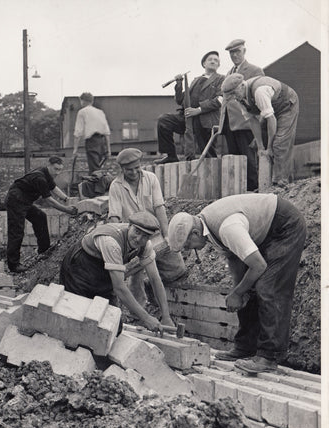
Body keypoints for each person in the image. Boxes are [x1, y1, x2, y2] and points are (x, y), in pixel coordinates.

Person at [167, 193, 306, 374]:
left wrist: (238, 293)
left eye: (188, 245)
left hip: (284, 227)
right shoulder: (207, 226)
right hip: (266, 232)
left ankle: (269, 357)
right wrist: (240, 290)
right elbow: (234, 257)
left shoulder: (227, 228)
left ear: (194, 233)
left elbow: (258, 265)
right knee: (247, 288)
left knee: (268, 287)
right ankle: (246, 347)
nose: (189, 250)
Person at [60, 211, 174, 332]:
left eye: (145, 236)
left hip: (102, 270)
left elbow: (155, 280)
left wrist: (166, 316)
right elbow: (119, 287)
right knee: (78, 319)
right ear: (129, 226)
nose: (139, 238)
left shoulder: (146, 246)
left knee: (113, 327)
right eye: (137, 231)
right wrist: (146, 318)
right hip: (80, 267)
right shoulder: (111, 241)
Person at [108, 148, 186, 307]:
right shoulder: (116, 186)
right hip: (134, 237)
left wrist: (166, 235)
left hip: (154, 233)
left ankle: (153, 286)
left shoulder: (151, 179)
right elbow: (114, 216)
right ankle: (140, 310)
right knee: (135, 272)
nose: (134, 172)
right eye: (129, 170)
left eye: (137, 168)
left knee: (177, 270)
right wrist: (118, 242)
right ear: (122, 169)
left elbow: (159, 208)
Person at [221, 73, 299, 186]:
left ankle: (281, 182)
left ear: (242, 85)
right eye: (230, 95)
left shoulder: (259, 91)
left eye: (234, 93)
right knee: (255, 145)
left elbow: (271, 119)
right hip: (271, 109)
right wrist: (261, 147)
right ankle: (264, 183)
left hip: (286, 106)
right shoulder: (240, 98)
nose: (234, 97)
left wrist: (269, 147)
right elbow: (252, 121)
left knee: (279, 143)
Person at [5, 156, 78, 273]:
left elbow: (54, 188)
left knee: (40, 217)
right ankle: (13, 265)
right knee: (17, 231)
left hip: (25, 200)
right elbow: (50, 201)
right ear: (48, 165)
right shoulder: (40, 178)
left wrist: (66, 198)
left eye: (60, 169)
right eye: (55, 169)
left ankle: (44, 249)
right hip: (16, 200)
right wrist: (67, 210)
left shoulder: (47, 174)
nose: (57, 173)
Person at [156, 51, 225, 164]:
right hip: (188, 118)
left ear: (218, 65)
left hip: (205, 120)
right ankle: (171, 156)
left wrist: (198, 110)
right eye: (210, 59)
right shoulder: (195, 80)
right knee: (164, 121)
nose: (213, 61)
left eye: (216, 60)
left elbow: (220, 100)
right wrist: (179, 84)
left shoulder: (221, 79)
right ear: (204, 64)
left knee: (209, 156)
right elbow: (180, 101)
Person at [221, 39, 265, 191]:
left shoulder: (254, 70)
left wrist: (258, 125)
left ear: (244, 51)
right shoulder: (229, 73)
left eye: (237, 51)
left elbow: (257, 101)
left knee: (249, 160)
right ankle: (239, 190)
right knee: (235, 160)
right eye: (231, 52)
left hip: (246, 124)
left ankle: (253, 189)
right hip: (230, 124)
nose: (234, 55)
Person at [73, 92, 111, 174]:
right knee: (97, 168)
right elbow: (107, 132)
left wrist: (75, 149)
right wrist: (108, 150)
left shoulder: (82, 112)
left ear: (82, 101)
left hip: (91, 142)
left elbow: (78, 132)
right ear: (92, 101)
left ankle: (97, 185)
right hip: (102, 142)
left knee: (94, 171)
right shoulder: (100, 112)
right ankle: (97, 184)